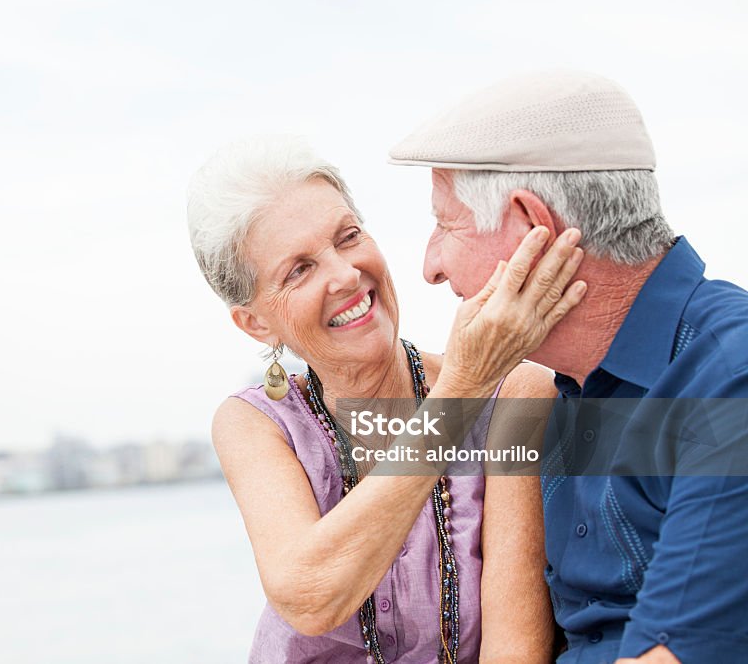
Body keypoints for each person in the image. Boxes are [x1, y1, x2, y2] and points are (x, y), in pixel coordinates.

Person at [389, 70, 748, 663]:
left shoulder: (727, 378)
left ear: (534, 227)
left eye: (445, 225)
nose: (430, 267)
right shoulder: (560, 394)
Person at [186, 136, 586, 663]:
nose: (346, 274)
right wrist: (461, 389)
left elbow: (515, 650)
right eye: (299, 269)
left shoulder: (514, 397)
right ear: (256, 322)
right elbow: (310, 595)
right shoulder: (255, 423)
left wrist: (466, 386)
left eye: (348, 237)